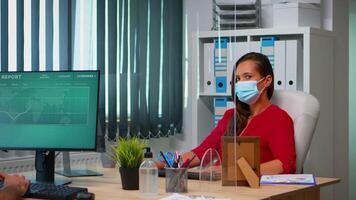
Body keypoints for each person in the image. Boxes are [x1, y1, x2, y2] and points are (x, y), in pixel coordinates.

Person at [157, 52, 296, 175]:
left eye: (247, 77)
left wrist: (232, 171)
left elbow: (286, 164)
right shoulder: (230, 116)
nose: (241, 83)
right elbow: (202, 151)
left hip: (251, 191)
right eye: (238, 79)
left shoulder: (278, 118)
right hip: (220, 188)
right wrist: (168, 164)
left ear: (267, 81)